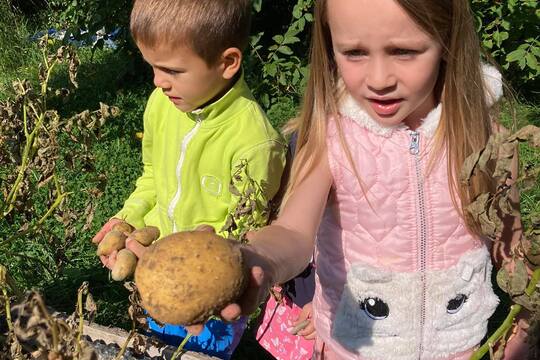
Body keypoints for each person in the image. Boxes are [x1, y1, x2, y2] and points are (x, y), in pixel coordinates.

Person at [213, 0, 533, 359]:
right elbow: (294, 232)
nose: (379, 79)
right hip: (353, 348)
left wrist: (527, 320)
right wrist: (259, 258)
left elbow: (510, 244)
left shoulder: (487, 139)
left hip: (457, 346)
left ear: (447, 40)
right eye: (354, 53)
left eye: (404, 51)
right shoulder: (328, 138)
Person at [92, 0, 287, 358]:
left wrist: (198, 271)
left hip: (210, 291)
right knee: (158, 347)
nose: (157, 81)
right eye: (152, 66)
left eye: (172, 70)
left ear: (227, 63)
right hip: (156, 273)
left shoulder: (257, 143)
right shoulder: (160, 105)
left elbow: (249, 229)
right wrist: (130, 218)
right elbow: (152, 176)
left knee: (199, 353)